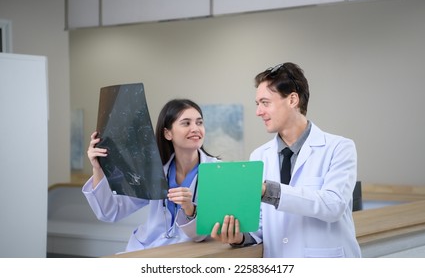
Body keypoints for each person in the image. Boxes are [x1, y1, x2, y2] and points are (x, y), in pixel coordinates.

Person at [211, 62, 362, 258]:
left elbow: (333, 205)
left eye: (265, 103)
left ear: (292, 100)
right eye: (258, 104)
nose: (258, 112)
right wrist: (240, 236)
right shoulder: (259, 156)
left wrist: (269, 191)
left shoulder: (339, 148)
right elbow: (263, 223)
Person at [83, 98, 218, 252]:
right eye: (186, 123)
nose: (195, 128)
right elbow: (111, 212)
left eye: (199, 122)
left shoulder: (217, 171)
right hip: (148, 248)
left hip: (188, 253)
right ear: (168, 133)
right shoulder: (153, 171)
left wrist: (189, 209)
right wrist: (98, 169)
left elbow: (205, 233)